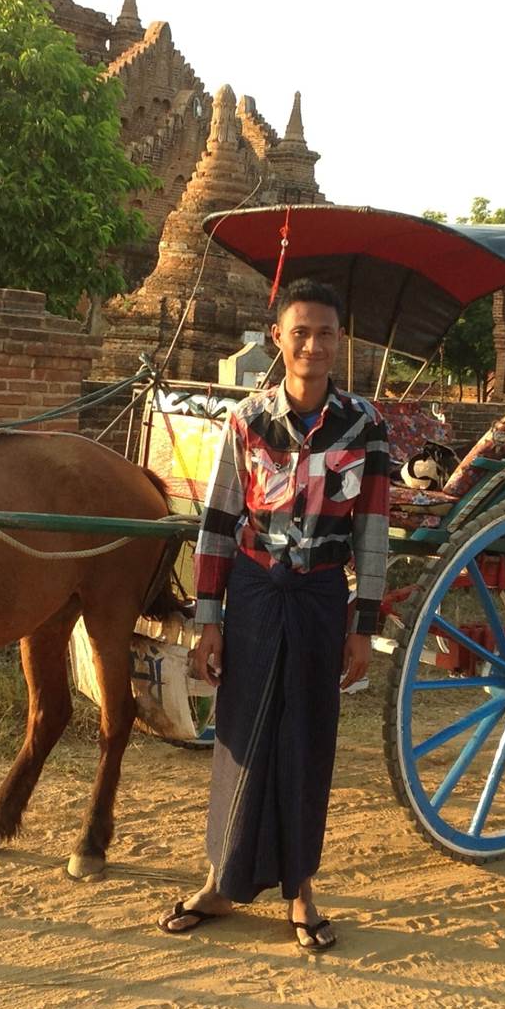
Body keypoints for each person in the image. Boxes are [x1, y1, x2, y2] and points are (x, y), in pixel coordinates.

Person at [156, 277, 389, 952]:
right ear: (279, 340)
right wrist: (207, 619)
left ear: (339, 343)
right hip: (255, 594)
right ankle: (219, 880)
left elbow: (372, 529)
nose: (313, 345)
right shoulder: (248, 422)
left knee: (307, 740)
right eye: (301, 332)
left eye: (326, 333)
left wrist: (363, 625)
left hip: (320, 597)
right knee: (240, 736)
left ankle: (301, 889)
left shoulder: (363, 426)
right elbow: (220, 522)